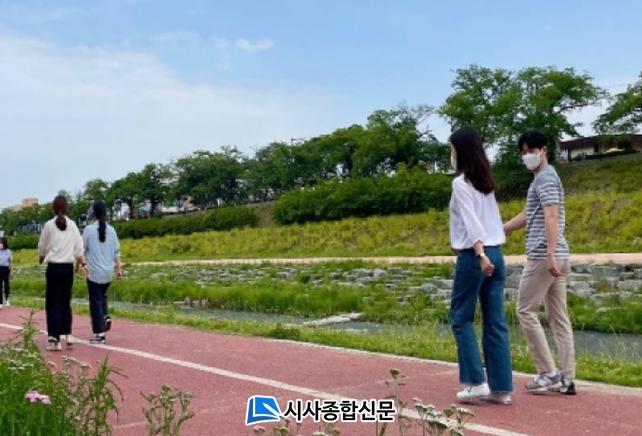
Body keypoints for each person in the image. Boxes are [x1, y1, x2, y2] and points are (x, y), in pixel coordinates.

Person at [503, 130, 576, 395]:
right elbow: (528, 214)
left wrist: (550, 253)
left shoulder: (545, 178)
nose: (527, 156)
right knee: (558, 318)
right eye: (523, 152)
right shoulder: (543, 178)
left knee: (525, 310)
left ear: (543, 150)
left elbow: (551, 216)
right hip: (558, 256)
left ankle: (548, 373)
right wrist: (502, 229)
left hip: (543, 256)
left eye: (531, 151)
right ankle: (567, 378)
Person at [448, 126, 513, 405]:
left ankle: (476, 382)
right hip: (496, 252)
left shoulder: (461, 183)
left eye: (452, 149)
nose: (451, 154)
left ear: (460, 151)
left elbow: (471, 222)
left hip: (476, 256)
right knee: (495, 321)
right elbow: (489, 221)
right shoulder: (485, 183)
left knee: (460, 317)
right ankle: (501, 388)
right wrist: (487, 252)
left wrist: (479, 252)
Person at [38, 195, 87, 351]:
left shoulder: (49, 225)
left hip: (54, 268)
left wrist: (41, 257)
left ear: (53, 208)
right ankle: (68, 334)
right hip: (68, 269)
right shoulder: (72, 225)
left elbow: (42, 246)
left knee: (53, 303)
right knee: (65, 302)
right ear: (67, 208)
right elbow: (79, 248)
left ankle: (54, 339)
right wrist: (83, 264)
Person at [83, 201, 122, 344]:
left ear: (93, 213)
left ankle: (100, 334)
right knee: (102, 297)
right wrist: (119, 269)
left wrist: (80, 265)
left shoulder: (88, 230)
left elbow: (82, 250)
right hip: (108, 272)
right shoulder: (112, 230)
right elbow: (117, 252)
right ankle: (105, 317)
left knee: (95, 302)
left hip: (94, 272)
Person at [0, 237, 12, 308]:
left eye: (1, 242)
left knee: (6, 285)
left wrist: (11, 271)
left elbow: (10, 262)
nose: (0, 244)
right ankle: (0, 302)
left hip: (6, 269)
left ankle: (7, 300)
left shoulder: (8, 251)